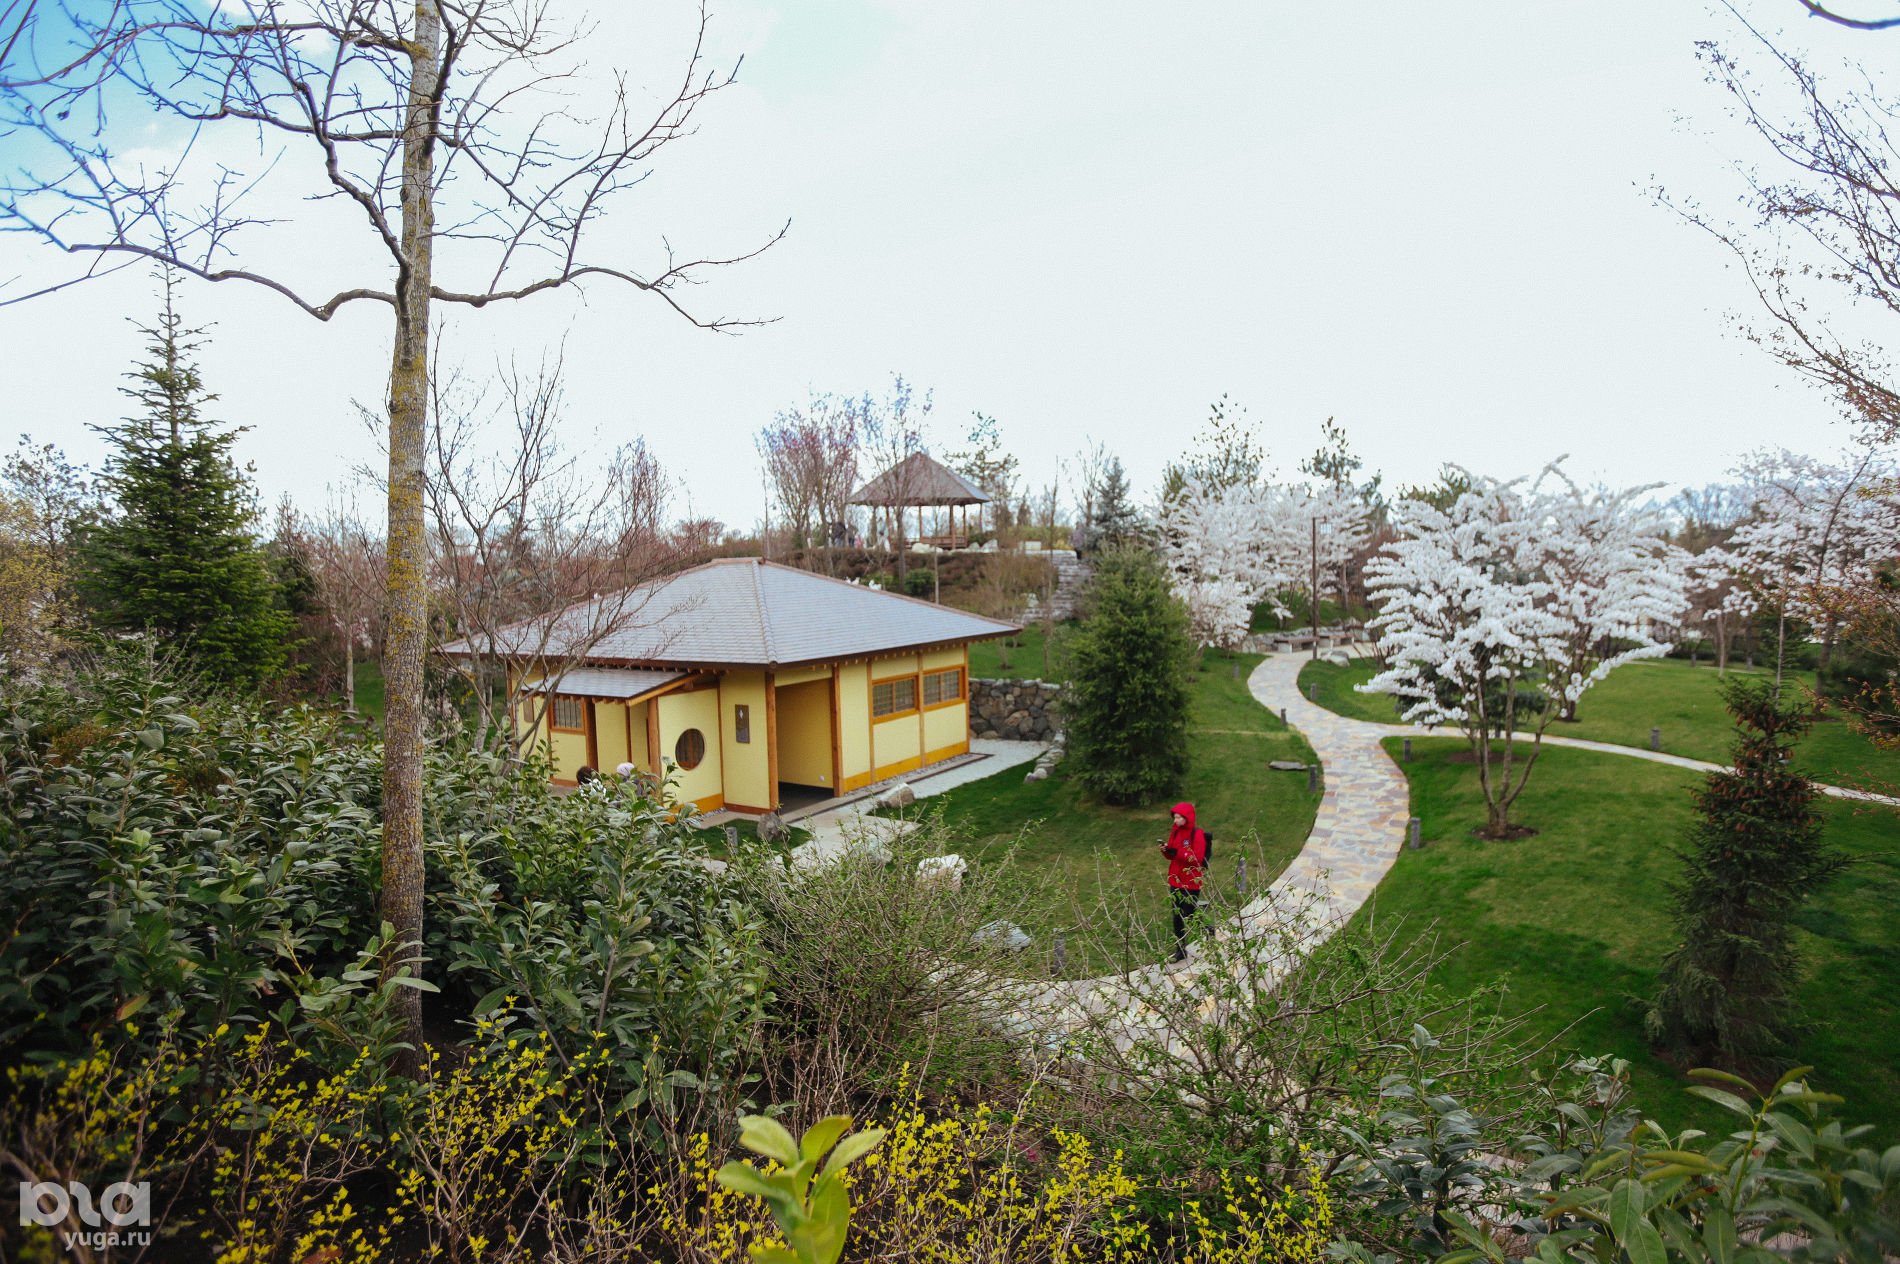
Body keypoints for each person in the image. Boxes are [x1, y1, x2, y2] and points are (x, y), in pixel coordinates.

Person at [1160, 802, 1208, 963]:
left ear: (1187, 818)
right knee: (1177, 916)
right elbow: (1173, 856)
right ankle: (1180, 950)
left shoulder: (1197, 833)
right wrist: (1167, 851)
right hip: (1176, 879)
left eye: (1179, 817)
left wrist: (1177, 853)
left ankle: (1208, 931)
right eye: (1175, 817)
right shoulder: (1175, 831)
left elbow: (1197, 859)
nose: (1176, 820)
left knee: (1189, 914)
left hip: (1191, 881)